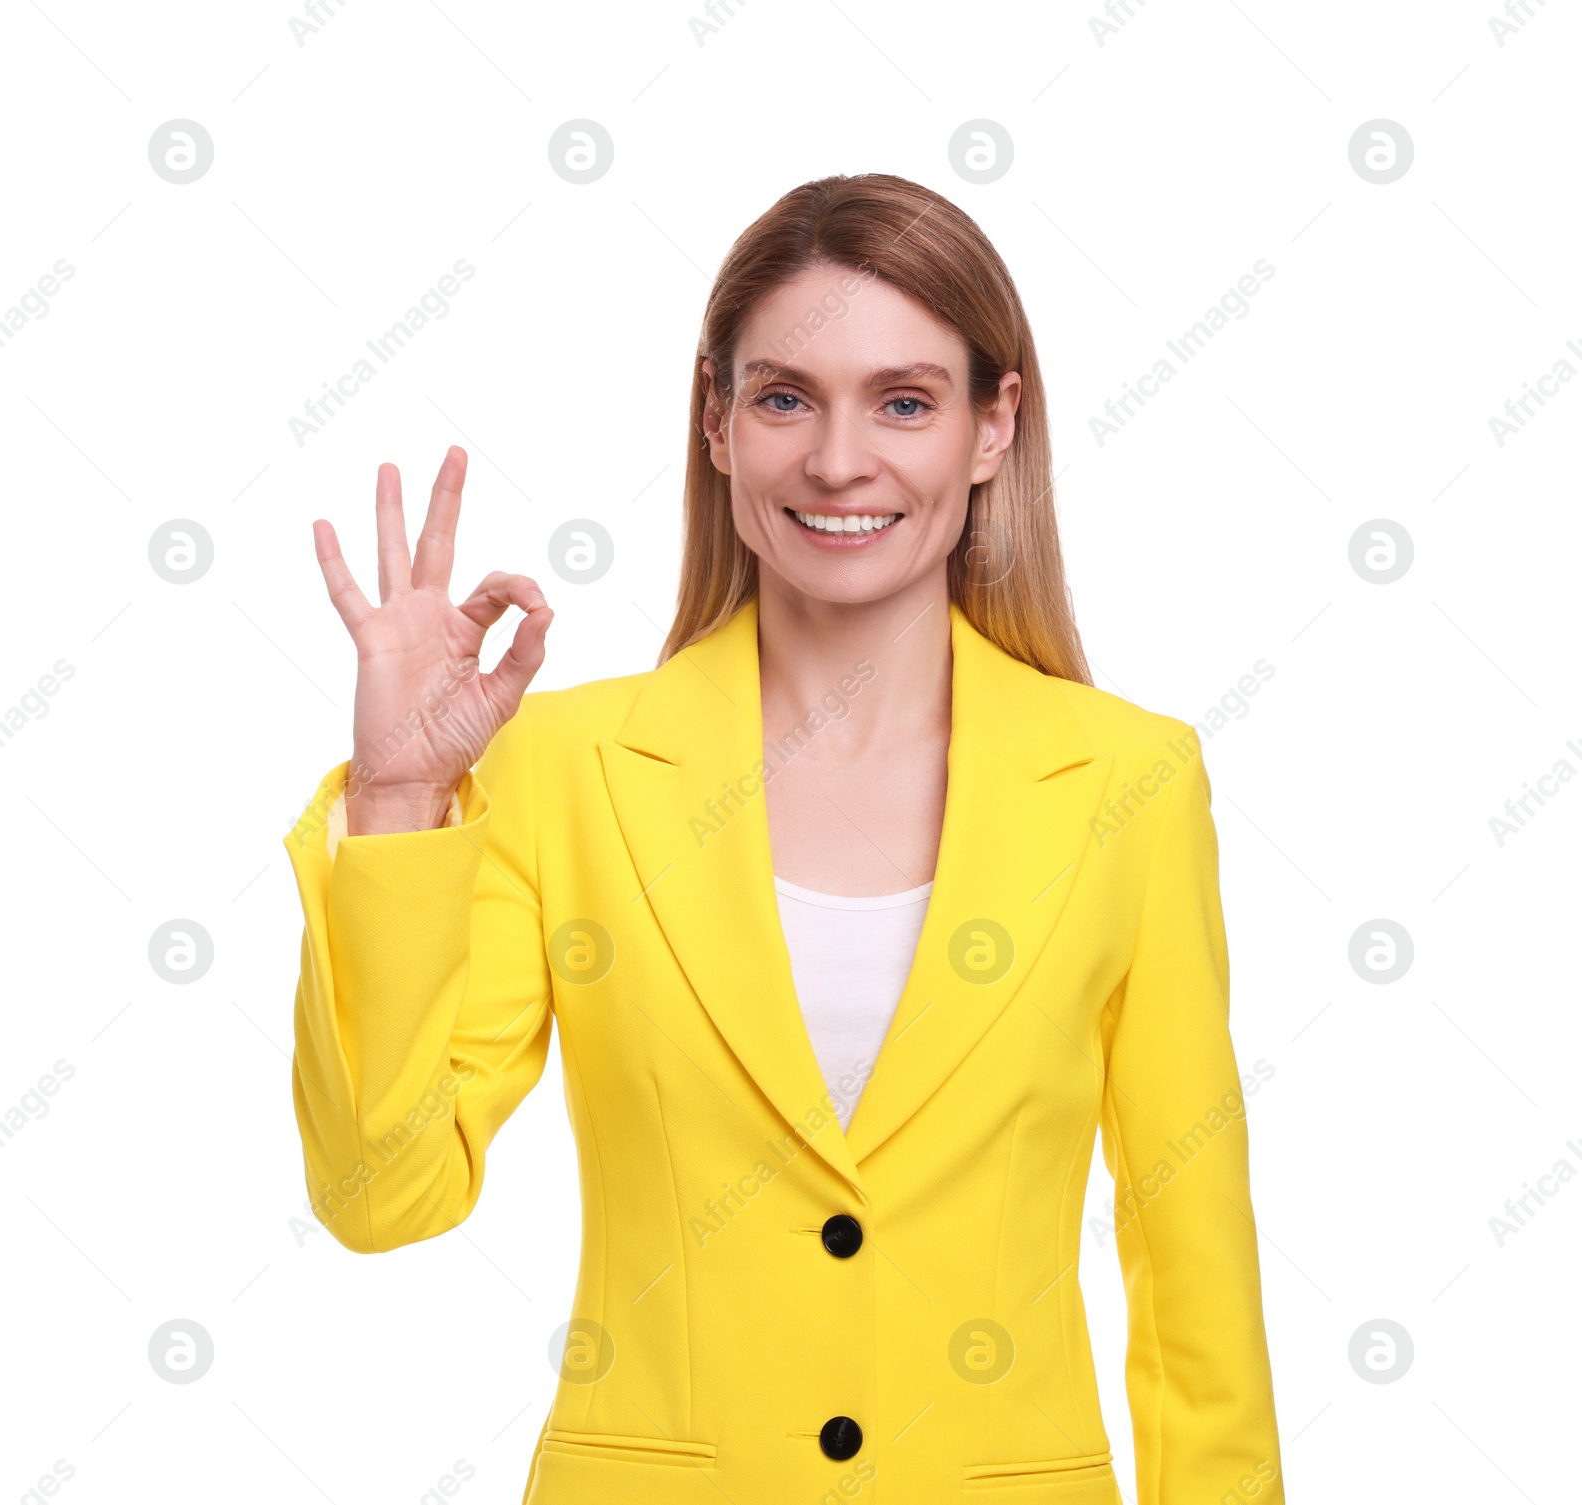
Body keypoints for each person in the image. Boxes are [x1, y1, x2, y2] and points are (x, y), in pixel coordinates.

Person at [282, 172, 1285, 1504]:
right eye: (785, 397)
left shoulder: (1129, 784)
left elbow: (1192, 1275)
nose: (837, 459)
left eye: (906, 401)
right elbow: (379, 1190)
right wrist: (401, 800)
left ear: (995, 427)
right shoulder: (561, 769)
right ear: (717, 423)